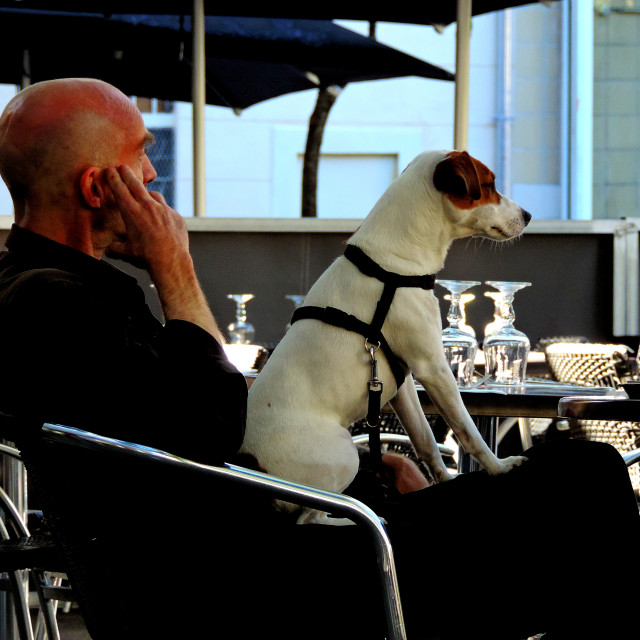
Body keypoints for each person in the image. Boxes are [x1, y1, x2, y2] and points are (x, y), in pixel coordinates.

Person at [0, 78, 638, 640]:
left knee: (573, 476)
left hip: (275, 553)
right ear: (94, 186)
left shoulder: (45, 293)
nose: (154, 176)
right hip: (280, 589)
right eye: (141, 153)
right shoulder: (55, 307)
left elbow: (186, 438)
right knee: (583, 480)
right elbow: (218, 421)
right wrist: (175, 268)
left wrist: (361, 467)